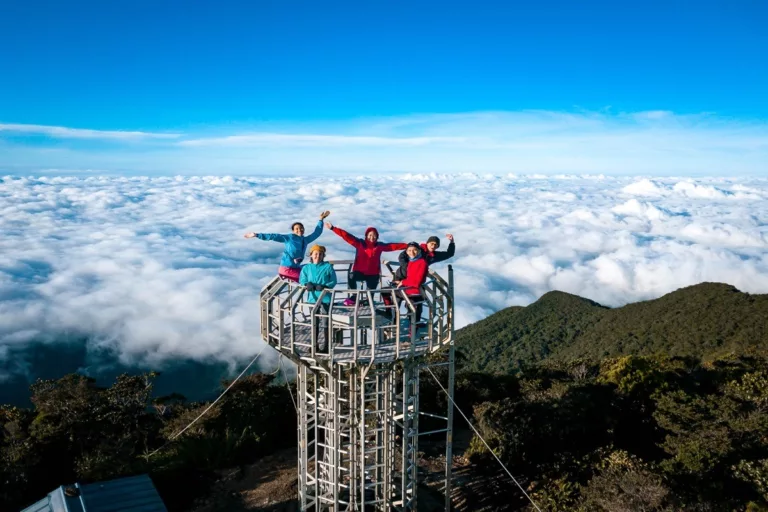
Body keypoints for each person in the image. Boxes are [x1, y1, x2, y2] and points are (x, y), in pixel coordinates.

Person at [325, 221, 407, 305]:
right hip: (359, 272)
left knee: (369, 298)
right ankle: (354, 296)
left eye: (374, 235)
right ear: (366, 236)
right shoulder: (359, 243)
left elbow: (393, 246)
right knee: (351, 276)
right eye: (370, 235)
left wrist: (408, 246)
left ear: (377, 237)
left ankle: (367, 301)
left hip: (373, 274)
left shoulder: (379, 246)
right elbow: (346, 236)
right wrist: (333, 228)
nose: (372, 237)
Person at [244, 211, 331, 282]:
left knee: (313, 268)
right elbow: (273, 236)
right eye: (296, 229)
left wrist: (321, 220)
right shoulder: (289, 238)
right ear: (293, 231)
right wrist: (257, 235)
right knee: (309, 279)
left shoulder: (305, 240)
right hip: (287, 269)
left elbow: (316, 233)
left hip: (296, 267)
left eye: (301, 228)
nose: (299, 230)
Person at [299, 244, 337, 352]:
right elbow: (302, 279)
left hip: (325, 298)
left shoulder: (328, 267)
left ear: (323, 256)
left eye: (320, 254)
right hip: (313, 298)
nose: (318, 256)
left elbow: (333, 281)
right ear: (311, 255)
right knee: (314, 322)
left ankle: (326, 346)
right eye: (316, 254)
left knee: (326, 322)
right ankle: (314, 345)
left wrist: (325, 286)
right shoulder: (306, 268)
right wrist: (306, 284)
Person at [389, 242, 429, 323]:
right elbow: (411, 278)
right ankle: (392, 318)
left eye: (414, 250)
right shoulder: (411, 261)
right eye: (409, 250)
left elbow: (416, 281)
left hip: (413, 291)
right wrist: (400, 282)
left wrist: (403, 282)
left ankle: (393, 318)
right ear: (406, 252)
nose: (412, 252)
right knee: (390, 292)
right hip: (408, 288)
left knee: (390, 293)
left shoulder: (422, 263)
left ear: (419, 251)